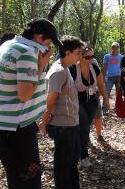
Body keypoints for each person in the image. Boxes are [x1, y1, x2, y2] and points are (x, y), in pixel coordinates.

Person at [0, 18, 60, 189]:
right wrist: (41, 66)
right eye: (48, 42)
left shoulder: (8, 45)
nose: (48, 48)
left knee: (15, 176)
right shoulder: (27, 52)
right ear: (40, 38)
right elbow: (25, 95)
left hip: (7, 124)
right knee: (28, 180)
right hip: (18, 129)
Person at [40, 35, 85, 189]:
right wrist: (44, 123)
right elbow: (50, 100)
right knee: (63, 167)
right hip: (62, 127)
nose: (80, 55)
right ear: (67, 51)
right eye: (78, 52)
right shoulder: (58, 71)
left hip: (71, 125)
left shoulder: (65, 69)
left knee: (72, 163)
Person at [69, 47, 109, 167]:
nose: (91, 59)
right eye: (88, 57)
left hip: (92, 100)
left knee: (85, 127)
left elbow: (101, 85)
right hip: (77, 101)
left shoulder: (95, 67)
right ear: (80, 56)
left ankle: (78, 150)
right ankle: (83, 156)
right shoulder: (72, 69)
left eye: (93, 56)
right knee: (85, 127)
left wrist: (106, 100)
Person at [103, 42, 123, 113]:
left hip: (119, 77)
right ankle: (105, 109)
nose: (115, 49)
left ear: (118, 48)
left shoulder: (121, 57)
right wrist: (103, 78)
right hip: (109, 77)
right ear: (111, 48)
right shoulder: (107, 56)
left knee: (118, 93)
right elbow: (105, 67)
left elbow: (122, 67)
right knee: (106, 93)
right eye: (114, 47)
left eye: (117, 47)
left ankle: (118, 108)